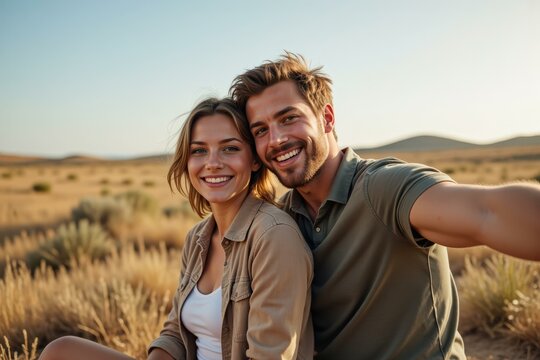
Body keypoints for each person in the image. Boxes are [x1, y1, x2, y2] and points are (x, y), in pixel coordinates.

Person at [229, 52, 540, 359]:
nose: (277, 139)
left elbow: (486, 212)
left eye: (289, 118)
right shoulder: (280, 222)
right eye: (261, 130)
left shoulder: (382, 188)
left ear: (326, 118)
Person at [38, 97, 314, 360]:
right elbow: (174, 335)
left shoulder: (274, 236)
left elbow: (270, 354)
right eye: (199, 150)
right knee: (60, 351)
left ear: (254, 160)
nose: (212, 162)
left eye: (230, 148)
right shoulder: (198, 238)